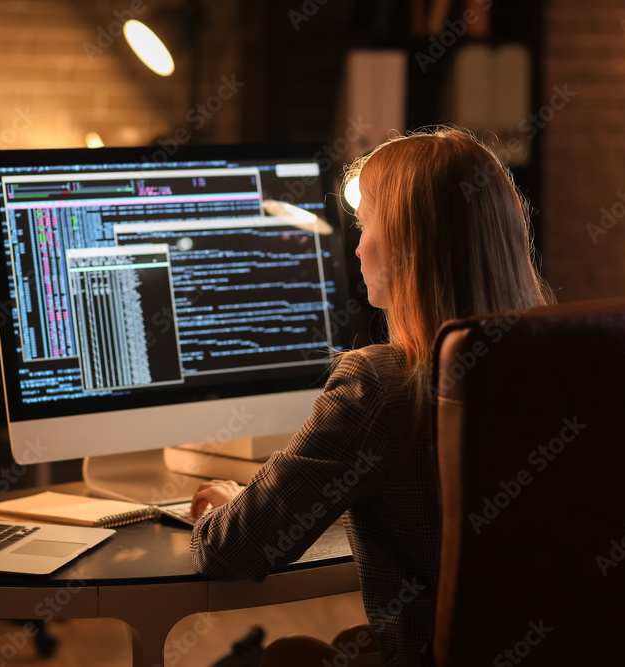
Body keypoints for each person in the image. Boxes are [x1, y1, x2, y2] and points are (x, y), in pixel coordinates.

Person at [189, 127, 554, 665]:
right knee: (342, 646)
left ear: (409, 245)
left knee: (285, 655)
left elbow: (234, 549)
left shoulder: (382, 385)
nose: (356, 248)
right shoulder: (557, 364)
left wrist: (224, 507)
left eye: (365, 226)